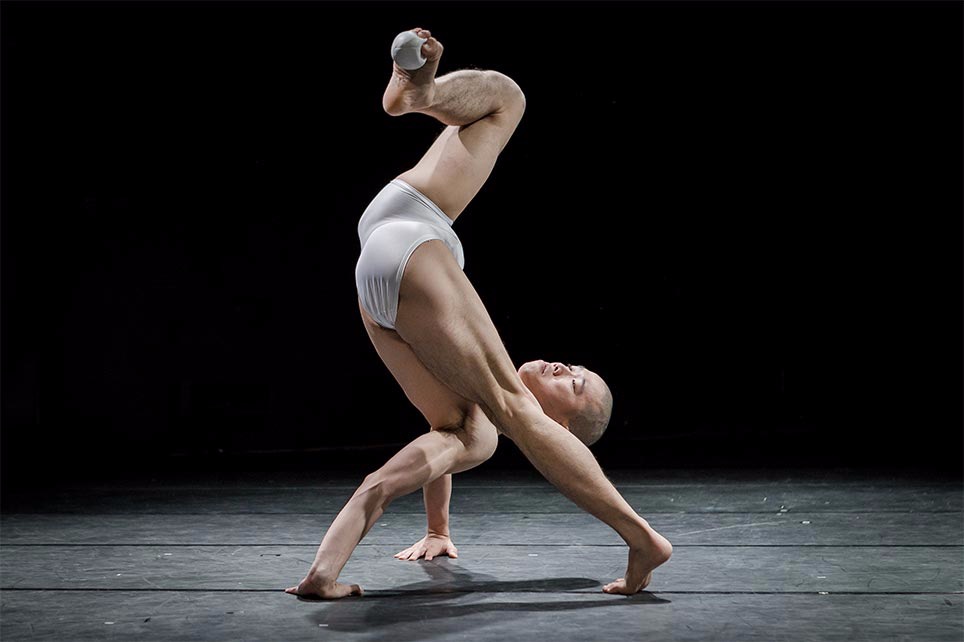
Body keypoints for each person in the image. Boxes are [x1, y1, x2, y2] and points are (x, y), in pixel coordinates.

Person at [285, 28, 672, 600]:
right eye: (576, 366)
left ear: (562, 428)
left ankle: (641, 537)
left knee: (508, 101)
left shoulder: (489, 426)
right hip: (381, 272)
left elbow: (389, 478)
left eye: (576, 382)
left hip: (405, 242)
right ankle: (420, 95)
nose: (566, 365)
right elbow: (391, 479)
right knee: (505, 102)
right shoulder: (465, 425)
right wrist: (437, 529)